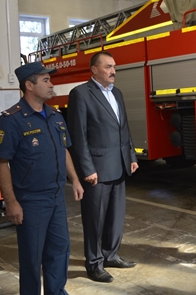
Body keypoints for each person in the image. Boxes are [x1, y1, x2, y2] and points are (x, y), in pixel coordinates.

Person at [0, 62, 84, 295]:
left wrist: (74, 179)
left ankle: (57, 292)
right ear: (29, 85)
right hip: (30, 200)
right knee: (32, 258)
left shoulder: (55, 116)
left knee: (59, 250)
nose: (52, 84)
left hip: (56, 197)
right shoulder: (11, 120)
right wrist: (11, 202)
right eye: (46, 80)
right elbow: (2, 163)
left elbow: (64, 150)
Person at [67, 51, 139, 283]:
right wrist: (87, 168)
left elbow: (124, 129)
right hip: (96, 169)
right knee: (94, 219)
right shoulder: (80, 94)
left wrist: (131, 156)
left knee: (116, 217)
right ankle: (94, 263)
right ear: (94, 70)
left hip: (119, 165)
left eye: (114, 67)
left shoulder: (116, 93)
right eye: (108, 67)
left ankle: (110, 254)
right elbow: (79, 136)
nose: (113, 71)